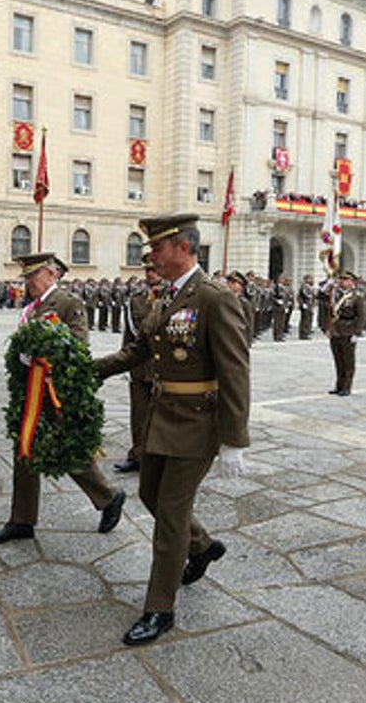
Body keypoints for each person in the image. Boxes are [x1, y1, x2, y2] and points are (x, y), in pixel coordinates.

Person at [94, 214, 250, 646]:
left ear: (183, 248)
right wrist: (94, 370)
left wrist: (234, 439)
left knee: (170, 518)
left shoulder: (215, 298)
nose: (151, 257)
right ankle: (201, 547)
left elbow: (236, 371)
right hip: (163, 418)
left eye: (157, 249)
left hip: (198, 423)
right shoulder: (167, 297)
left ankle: (159, 609)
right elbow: (140, 350)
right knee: (149, 494)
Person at [0, 252, 126, 546]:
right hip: (30, 393)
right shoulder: (33, 306)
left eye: (33, 276)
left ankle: (109, 496)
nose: (28, 282)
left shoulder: (68, 302)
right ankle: (22, 520)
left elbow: (78, 343)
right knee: (25, 450)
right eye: (26, 277)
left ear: (51, 274)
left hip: (54, 392)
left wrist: (42, 355)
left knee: (66, 450)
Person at [115, 253, 160, 474]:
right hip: (141, 366)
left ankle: (158, 457)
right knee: (139, 413)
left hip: (164, 367)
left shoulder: (173, 296)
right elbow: (130, 335)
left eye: (154, 269)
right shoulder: (137, 299)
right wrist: (126, 364)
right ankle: (137, 455)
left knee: (163, 415)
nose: (151, 274)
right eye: (148, 270)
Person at [327, 271, 366, 395]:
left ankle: (347, 387)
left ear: (352, 282)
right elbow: (321, 297)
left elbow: (361, 316)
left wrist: (357, 333)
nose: (342, 282)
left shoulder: (357, 296)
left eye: (345, 280)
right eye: (341, 279)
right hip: (336, 330)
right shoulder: (335, 294)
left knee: (348, 361)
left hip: (349, 330)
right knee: (338, 360)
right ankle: (339, 385)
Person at [225, 271, 255, 348]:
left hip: (238, 339)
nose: (229, 285)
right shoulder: (223, 300)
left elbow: (249, 323)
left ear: (241, 286)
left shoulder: (244, 303)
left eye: (234, 283)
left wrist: (247, 342)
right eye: (228, 282)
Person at [297, 274, 316, 339]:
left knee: (309, 319)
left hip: (310, 305)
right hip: (305, 305)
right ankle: (303, 334)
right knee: (305, 320)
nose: (311, 280)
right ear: (306, 279)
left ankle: (307, 332)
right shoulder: (304, 286)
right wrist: (303, 304)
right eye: (310, 279)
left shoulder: (310, 286)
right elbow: (302, 296)